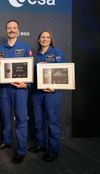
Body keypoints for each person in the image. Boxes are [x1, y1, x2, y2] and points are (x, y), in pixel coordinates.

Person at [0, 19, 32, 165]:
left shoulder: (25, 47)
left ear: (18, 31)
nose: (12, 30)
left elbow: (30, 68)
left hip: (19, 89)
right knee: (5, 117)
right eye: (9, 28)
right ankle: (6, 141)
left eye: (14, 28)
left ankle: (21, 151)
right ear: (6, 30)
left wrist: (26, 83)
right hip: (4, 89)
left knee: (21, 119)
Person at [29, 29, 65, 161]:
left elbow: (62, 73)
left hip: (51, 94)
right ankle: (40, 145)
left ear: (50, 40)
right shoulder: (35, 56)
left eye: (47, 37)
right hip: (37, 93)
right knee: (38, 122)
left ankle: (53, 151)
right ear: (39, 40)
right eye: (42, 37)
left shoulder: (57, 53)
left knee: (52, 123)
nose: (44, 39)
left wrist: (54, 87)